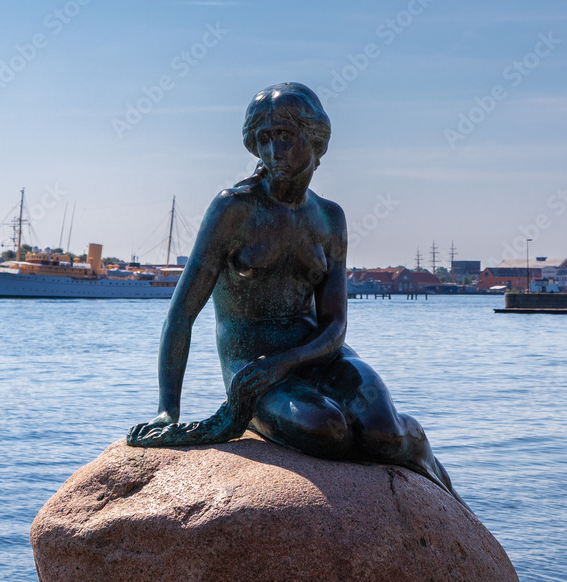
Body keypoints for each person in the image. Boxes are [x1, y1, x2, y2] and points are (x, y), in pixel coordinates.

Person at [127, 83, 466, 508]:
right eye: (264, 139)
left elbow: (336, 325)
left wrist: (286, 362)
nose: (273, 150)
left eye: (285, 136)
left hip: (318, 355)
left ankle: (425, 460)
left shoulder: (329, 217)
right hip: (251, 366)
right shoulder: (233, 210)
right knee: (328, 431)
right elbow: (180, 316)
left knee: (385, 433)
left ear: (315, 139)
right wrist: (167, 410)